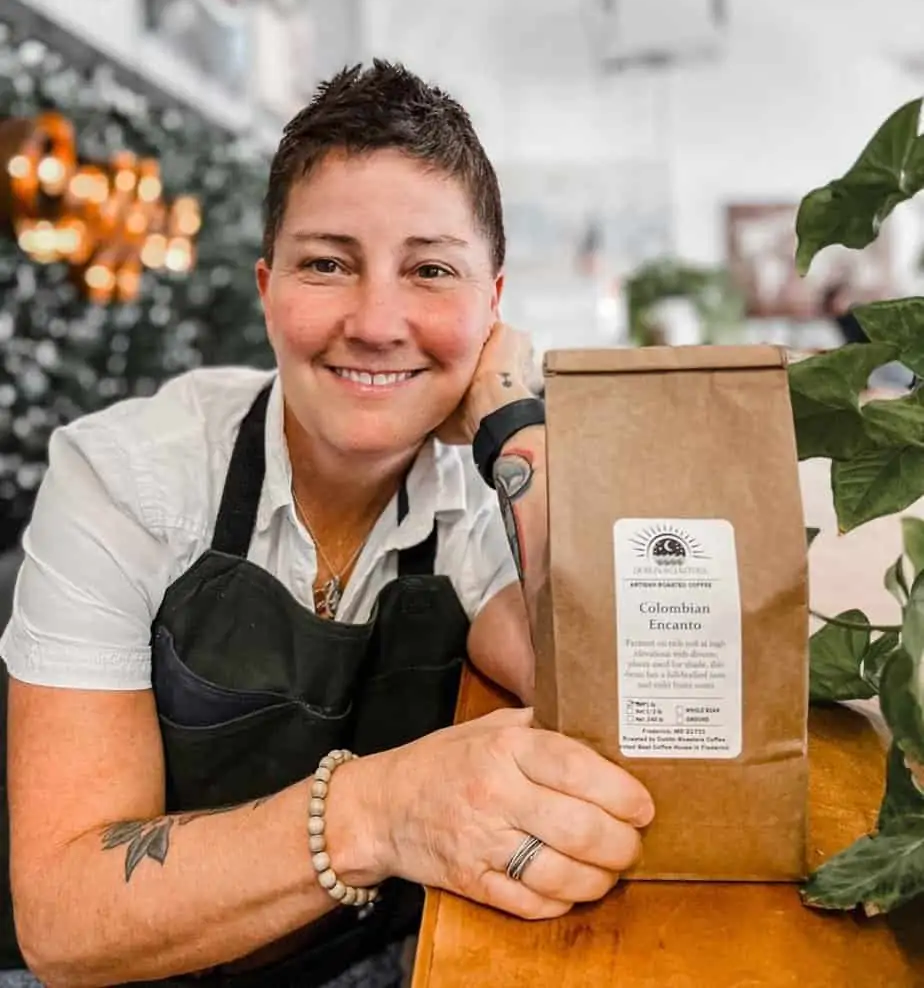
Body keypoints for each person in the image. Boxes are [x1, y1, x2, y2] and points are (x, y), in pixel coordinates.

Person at [0, 62, 654, 988]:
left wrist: (512, 416)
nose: (378, 321)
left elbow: (615, 703)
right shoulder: (123, 479)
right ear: (267, 290)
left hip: (360, 961)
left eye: (431, 270)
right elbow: (67, 922)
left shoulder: (476, 494)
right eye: (327, 264)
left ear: (493, 305)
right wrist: (380, 812)